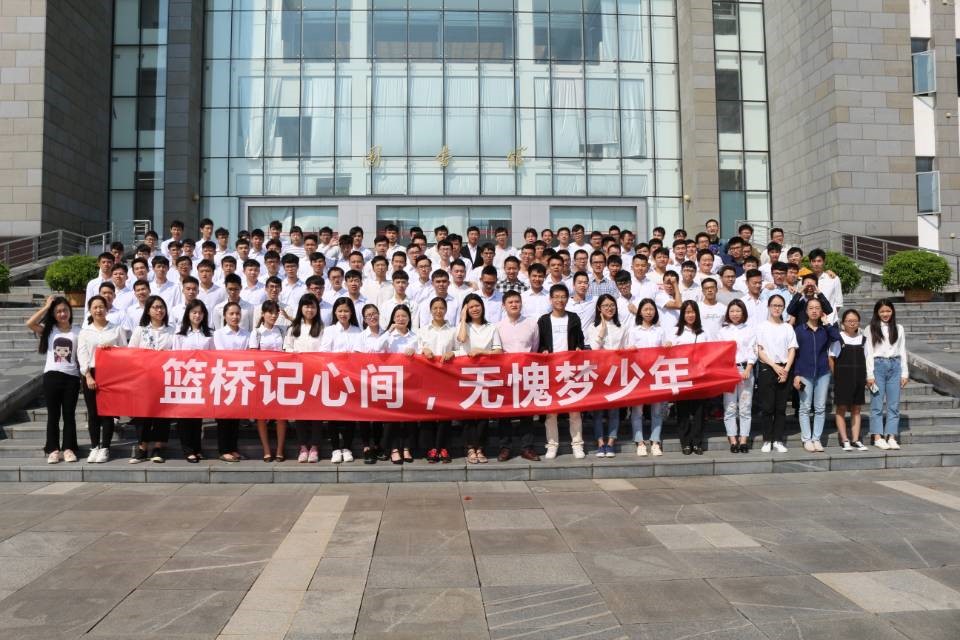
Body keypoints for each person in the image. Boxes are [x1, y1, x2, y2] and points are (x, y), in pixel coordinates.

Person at [27, 295, 81, 464]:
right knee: (53, 415)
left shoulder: (78, 331)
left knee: (69, 415)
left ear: (70, 311)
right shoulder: (49, 330)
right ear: (53, 314)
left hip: (71, 378)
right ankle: (53, 449)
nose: (62, 314)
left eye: (65, 310)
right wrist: (46, 306)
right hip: (52, 377)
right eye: (58, 311)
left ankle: (69, 448)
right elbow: (30, 323)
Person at [536, 284, 587, 460]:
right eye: (556, 297)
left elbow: (580, 340)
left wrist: (579, 348)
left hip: (570, 369)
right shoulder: (544, 320)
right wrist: (543, 350)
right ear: (550, 299)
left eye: (563, 297)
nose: (560, 300)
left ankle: (577, 445)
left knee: (575, 410)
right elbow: (540, 343)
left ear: (567, 299)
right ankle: (552, 445)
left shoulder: (573, 318)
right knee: (551, 411)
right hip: (551, 371)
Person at [456, 293, 504, 463]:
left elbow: (498, 351)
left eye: (477, 306)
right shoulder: (463, 326)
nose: (474, 309)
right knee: (468, 413)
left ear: (482, 307)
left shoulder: (491, 327)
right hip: (466, 375)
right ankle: (470, 448)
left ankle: (481, 448)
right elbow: (461, 339)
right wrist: (463, 319)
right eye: (470, 307)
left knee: (483, 414)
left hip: (486, 374)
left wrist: (481, 351)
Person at [128, 295, 176, 463]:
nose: (159, 310)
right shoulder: (140, 330)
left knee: (162, 414)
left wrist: (167, 354)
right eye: (155, 307)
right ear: (148, 310)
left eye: (161, 307)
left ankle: (158, 447)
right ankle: (142, 448)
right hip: (143, 379)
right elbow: (131, 353)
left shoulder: (172, 330)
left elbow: (178, 352)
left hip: (165, 379)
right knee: (142, 414)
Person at [495, 290, 540, 462]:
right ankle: (505, 447)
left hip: (526, 373)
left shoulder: (531, 324)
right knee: (504, 412)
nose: (514, 304)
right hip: (506, 374)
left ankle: (526, 447)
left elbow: (535, 348)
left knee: (527, 412)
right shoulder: (498, 326)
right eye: (510, 302)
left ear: (521, 303)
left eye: (517, 301)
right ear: (503, 305)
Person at [792, 298, 840, 452]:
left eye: (817, 308)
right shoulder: (799, 330)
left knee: (820, 408)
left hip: (823, 372)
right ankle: (806, 439)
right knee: (805, 407)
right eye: (811, 308)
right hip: (804, 372)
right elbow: (795, 354)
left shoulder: (825, 330)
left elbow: (837, 337)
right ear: (806, 311)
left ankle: (816, 438)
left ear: (821, 311)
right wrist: (796, 374)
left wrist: (827, 323)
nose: (814, 311)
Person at [320, 297, 362, 463]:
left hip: (352, 378)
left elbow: (360, 354)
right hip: (334, 377)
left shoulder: (357, 331)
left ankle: (347, 447)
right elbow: (324, 353)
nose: (343, 314)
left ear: (351, 313)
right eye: (340, 311)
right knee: (334, 414)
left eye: (346, 311)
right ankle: (335, 448)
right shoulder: (329, 330)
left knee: (350, 414)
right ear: (335, 313)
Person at [284, 293, 325, 463]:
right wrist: (296, 354)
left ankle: (314, 446)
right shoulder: (294, 327)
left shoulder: (322, 328)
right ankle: (303, 446)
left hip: (316, 375)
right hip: (298, 376)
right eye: (307, 306)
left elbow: (324, 350)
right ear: (301, 308)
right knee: (299, 412)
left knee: (316, 412)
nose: (309, 309)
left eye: (313, 306)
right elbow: (287, 348)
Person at [172, 299, 215, 462]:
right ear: (188, 314)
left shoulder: (209, 334)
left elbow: (213, 356)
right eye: (194, 312)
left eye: (200, 312)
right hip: (184, 379)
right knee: (185, 416)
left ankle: (197, 448)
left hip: (201, 379)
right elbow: (175, 357)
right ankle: (188, 449)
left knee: (197, 415)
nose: (197, 315)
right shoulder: (180, 334)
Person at [417, 296, 458, 463]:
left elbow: (460, 349)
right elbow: (415, 349)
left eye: (441, 308)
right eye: (435, 308)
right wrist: (423, 350)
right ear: (430, 310)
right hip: (427, 378)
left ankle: (443, 447)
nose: (438, 311)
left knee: (445, 413)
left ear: (446, 310)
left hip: (446, 377)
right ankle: (431, 448)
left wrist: (453, 353)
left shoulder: (453, 330)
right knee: (428, 413)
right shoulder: (422, 331)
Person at [587, 294, 628, 457]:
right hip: (599, 372)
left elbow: (625, 348)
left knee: (614, 410)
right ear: (599, 308)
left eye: (612, 305)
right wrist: (602, 331)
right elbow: (594, 349)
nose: (609, 308)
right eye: (605, 306)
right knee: (598, 410)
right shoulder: (593, 327)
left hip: (616, 372)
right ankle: (600, 443)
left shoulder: (622, 326)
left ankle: (611, 443)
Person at [756, 295, 797, 453]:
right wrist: (774, 366)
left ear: (783, 308)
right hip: (767, 368)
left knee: (781, 407)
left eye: (780, 305)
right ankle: (767, 439)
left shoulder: (788, 327)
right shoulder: (762, 326)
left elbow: (792, 349)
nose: (777, 308)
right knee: (767, 407)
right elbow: (759, 350)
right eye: (774, 305)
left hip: (784, 369)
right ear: (768, 306)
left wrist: (786, 369)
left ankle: (778, 440)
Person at [865, 299, 908, 450]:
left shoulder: (899, 328)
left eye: (888, 311)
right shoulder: (870, 328)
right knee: (877, 404)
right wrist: (869, 375)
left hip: (895, 366)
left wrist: (905, 373)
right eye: (882, 311)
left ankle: (891, 436)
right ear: (877, 312)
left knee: (893, 404)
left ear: (892, 311)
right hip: (878, 366)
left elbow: (902, 350)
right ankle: (877, 436)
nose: (885, 314)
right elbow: (868, 353)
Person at [667, 301, 709, 455]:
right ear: (682, 314)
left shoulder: (703, 332)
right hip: (682, 376)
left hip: (700, 376)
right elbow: (669, 351)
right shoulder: (675, 332)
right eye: (687, 312)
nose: (690, 315)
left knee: (699, 411)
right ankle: (685, 442)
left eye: (693, 312)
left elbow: (710, 353)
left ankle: (697, 442)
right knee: (683, 410)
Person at [626, 299, 665, 456]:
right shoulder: (634, 331)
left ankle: (655, 441)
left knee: (657, 410)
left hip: (656, 374)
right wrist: (631, 350)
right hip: (639, 374)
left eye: (651, 309)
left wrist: (668, 346)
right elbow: (628, 351)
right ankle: (640, 441)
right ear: (640, 312)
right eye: (645, 309)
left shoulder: (660, 331)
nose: (649, 312)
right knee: (638, 410)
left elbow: (665, 351)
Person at [250, 300, 288, 461]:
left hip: (280, 377)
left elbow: (287, 352)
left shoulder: (282, 331)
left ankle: (279, 449)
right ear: (263, 314)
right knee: (261, 416)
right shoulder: (256, 332)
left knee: (281, 415)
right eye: (270, 312)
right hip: (263, 378)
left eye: (276, 313)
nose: (273, 315)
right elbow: (254, 356)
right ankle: (266, 449)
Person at [381, 305, 418, 464]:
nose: (401, 319)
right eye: (398, 316)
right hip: (392, 382)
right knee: (392, 418)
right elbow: (377, 349)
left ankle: (407, 448)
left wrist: (415, 353)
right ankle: (394, 449)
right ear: (393, 319)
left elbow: (422, 355)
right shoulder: (388, 336)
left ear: (409, 318)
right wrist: (388, 331)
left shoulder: (415, 336)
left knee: (410, 417)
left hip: (410, 382)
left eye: (404, 316)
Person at [212, 302, 248, 462]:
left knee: (236, 416)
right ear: (225, 316)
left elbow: (248, 354)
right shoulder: (218, 334)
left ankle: (233, 448)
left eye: (237, 314)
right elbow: (222, 355)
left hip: (240, 378)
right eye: (231, 314)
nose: (235, 317)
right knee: (223, 416)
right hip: (223, 378)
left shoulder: (246, 334)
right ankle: (223, 449)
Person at [718, 300, 756, 453]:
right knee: (730, 406)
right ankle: (733, 439)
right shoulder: (723, 331)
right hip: (729, 371)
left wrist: (748, 368)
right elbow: (720, 353)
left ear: (743, 312)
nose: (735, 314)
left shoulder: (749, 329)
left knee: (745, 407)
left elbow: (753, 350)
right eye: (732, 311)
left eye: (738, 311)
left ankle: (744, 439)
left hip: (745, 370)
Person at [830, 309, 868, 451]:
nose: (852, 323)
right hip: (842, 378)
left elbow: (867, 359)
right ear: (843, 323)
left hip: (859, 378)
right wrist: (836, 375)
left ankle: (856, 439)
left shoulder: (864, 339)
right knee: (841, 408)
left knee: (856, 409)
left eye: (855, 321)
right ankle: (845, 439)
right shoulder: (838, 338)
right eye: (849, 321)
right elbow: (831, 358)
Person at [356, 303, 389, 463]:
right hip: (365, 379)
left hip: (384, 379)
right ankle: (366, 447)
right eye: (368, 315)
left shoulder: (388, 333)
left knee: (378, 414)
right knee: (364, 414)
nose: (372, 317)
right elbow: (357, 358)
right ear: (364, 319)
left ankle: (377, 445)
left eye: (374, 313)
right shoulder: (361, 336)